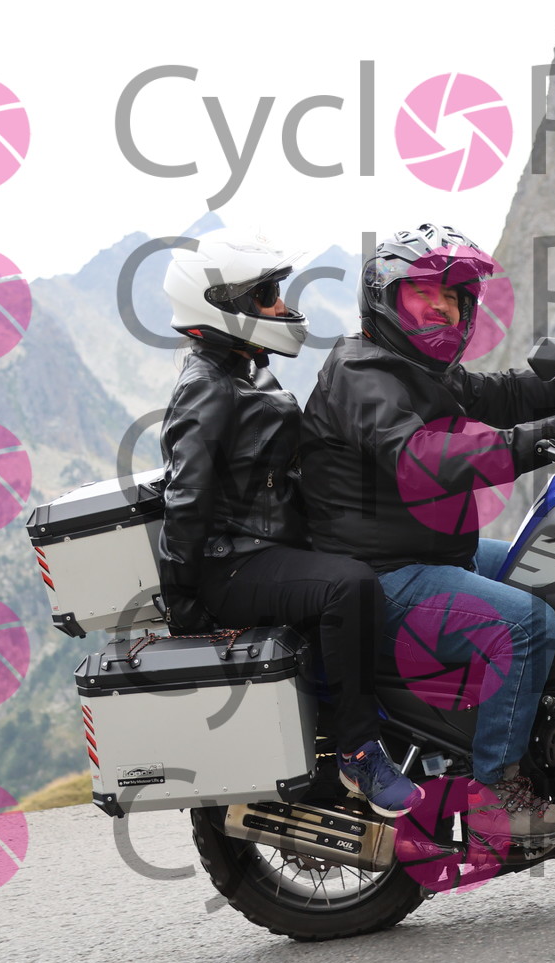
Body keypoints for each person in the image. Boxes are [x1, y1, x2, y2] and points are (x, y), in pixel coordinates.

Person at [299, 222, 555, 847]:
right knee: (526, 624)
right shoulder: (362, 374)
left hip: (434, 554)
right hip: (386, 576)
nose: (441, 308)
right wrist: (542, 440)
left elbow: (507, 393)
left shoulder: (414, 367)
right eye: (423, 295)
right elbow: (419, 459)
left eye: (453, 298)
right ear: (385, 298)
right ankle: (496, 799)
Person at [156, 227, 423, 817]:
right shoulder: (207, 388)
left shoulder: (246, 368)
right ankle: (358, 751)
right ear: (220, 306)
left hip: (269, 549)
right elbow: (186, 496)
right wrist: (184, 603)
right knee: (348, 586)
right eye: (266, 295)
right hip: (233, 565)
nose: (281, 306)